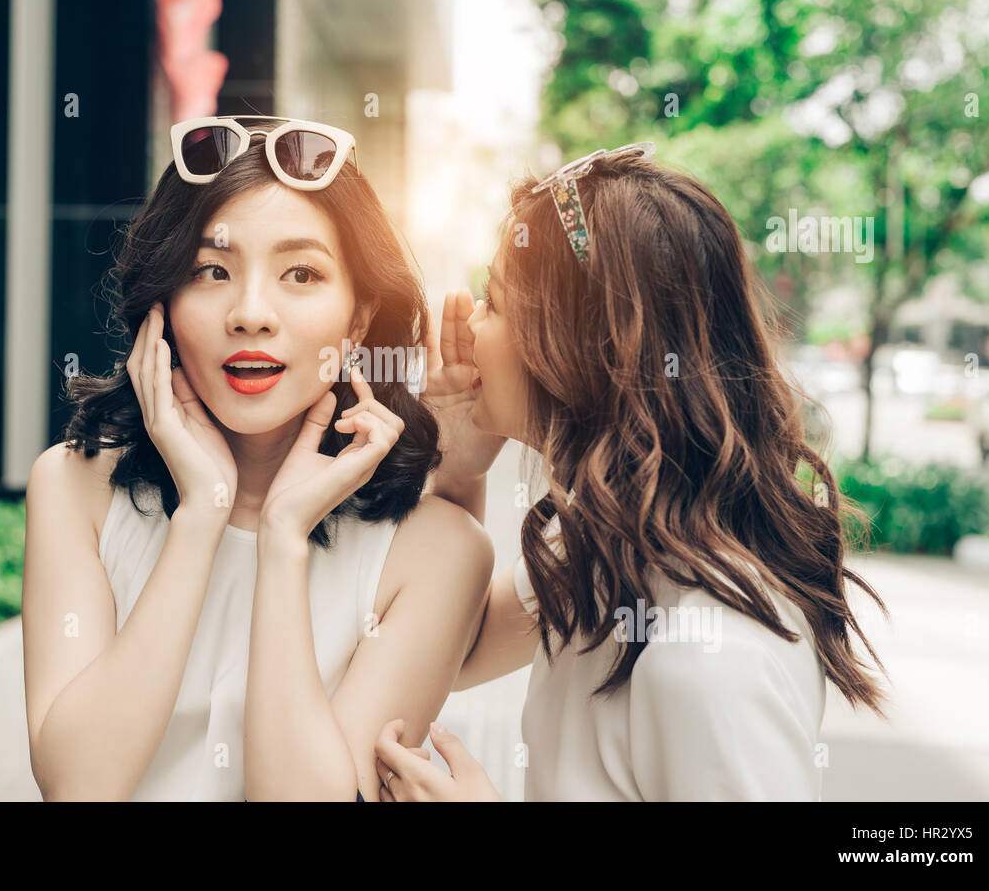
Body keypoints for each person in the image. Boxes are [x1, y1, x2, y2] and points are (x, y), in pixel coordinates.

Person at [374, 143, 890, 801]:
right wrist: (461, 469)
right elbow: (453, 652)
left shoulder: (708, 658)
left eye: (494, 302)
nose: (470, 326)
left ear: (577, 348)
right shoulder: (604, 546)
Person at [21, 116, 492, 800]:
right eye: (211, 270)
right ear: (163, 306)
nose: (250, 313)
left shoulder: (439, 551)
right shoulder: (75, 485)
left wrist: (283, 538)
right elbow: (78, 786)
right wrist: (202, 515)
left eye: (301, 273)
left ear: (359, 318)